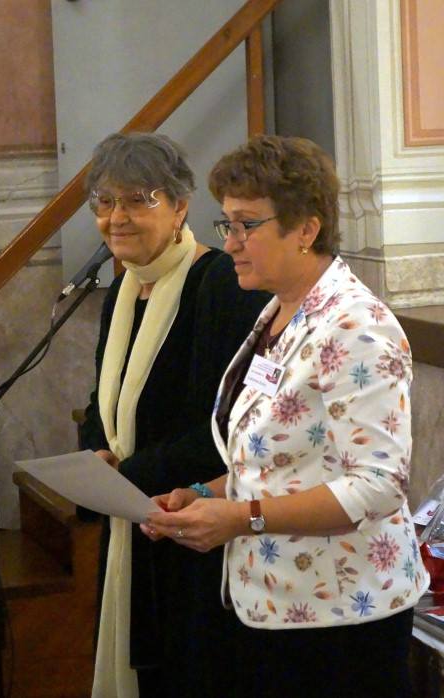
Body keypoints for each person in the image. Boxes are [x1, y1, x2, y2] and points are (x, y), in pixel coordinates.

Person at [146, 135, 430, 698]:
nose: (230, 243)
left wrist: (239, 518)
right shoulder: (279, 312)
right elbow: (283, 458)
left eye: (247, 225)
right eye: (227, 223)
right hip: (274, 603)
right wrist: (203, 494)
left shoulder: (354, 327)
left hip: (342, 621)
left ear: (306, 229)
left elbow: (377, 487)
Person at [78, 131, 269, 698]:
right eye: (105, 202)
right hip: (133, 519)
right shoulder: (121, 293)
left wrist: (127, 475)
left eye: (139, 200)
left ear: (180, 206)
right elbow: (105, 401)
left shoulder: (222, 285)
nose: (117, 217)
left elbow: (223, 426)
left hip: (192, 527)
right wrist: (97, 451)